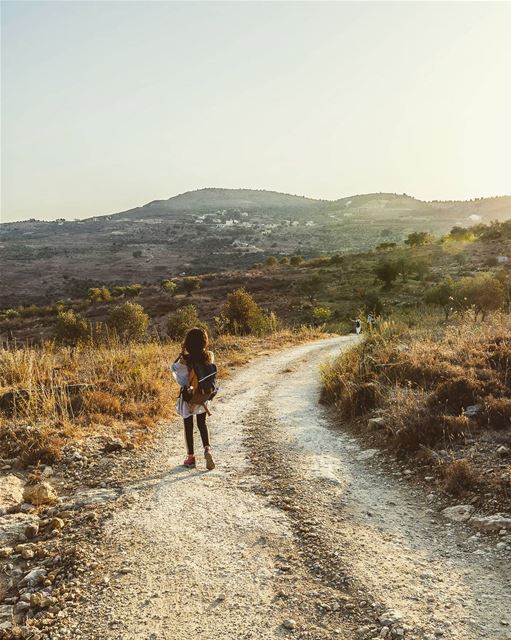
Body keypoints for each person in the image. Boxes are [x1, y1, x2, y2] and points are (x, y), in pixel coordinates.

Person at [171, 327, 216, 470]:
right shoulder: (209, 355)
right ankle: (207, 449)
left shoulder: (184, 362)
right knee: (202, 424)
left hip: (188, 397)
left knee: (188, 425)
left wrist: (181, 355)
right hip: (202, 395)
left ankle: (190, 458)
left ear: (188, 343)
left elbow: (179, 378)